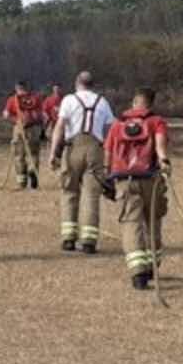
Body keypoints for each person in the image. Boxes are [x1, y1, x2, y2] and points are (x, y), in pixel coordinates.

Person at [104, 87, 171, 290]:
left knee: (131, 223)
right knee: (153, 220)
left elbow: (107, 150)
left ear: (134, 102)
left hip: (124, 180)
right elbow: (160, 146)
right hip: (150, 178)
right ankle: (152, 266)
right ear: (151, 104)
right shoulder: (156, 121)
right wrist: (164, 161)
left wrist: (107, 176)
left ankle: (138, 273)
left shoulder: (118, 124)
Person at [48, 71, 115, 253]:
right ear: (93, 84)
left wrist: (53, 152)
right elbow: (110, 131)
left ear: (77, 83)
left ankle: (68, 238)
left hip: (73, 149)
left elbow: (60, 127)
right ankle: (89, 241)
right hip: (95, 149)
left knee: (69, 192)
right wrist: (110, 158)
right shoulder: (103, 102)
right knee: (92, 195)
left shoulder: (69, 100)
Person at [1, 80, 44, 189]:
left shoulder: (12, 100)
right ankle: (32, 170)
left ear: (17, 88)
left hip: (19, 128)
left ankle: (22, 181)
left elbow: (6, 114)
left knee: (19, 155)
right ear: (26, 87)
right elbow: (42, 114)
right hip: (34, 129)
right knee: (34, 153)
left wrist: (15, 119)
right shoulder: (36, 98)